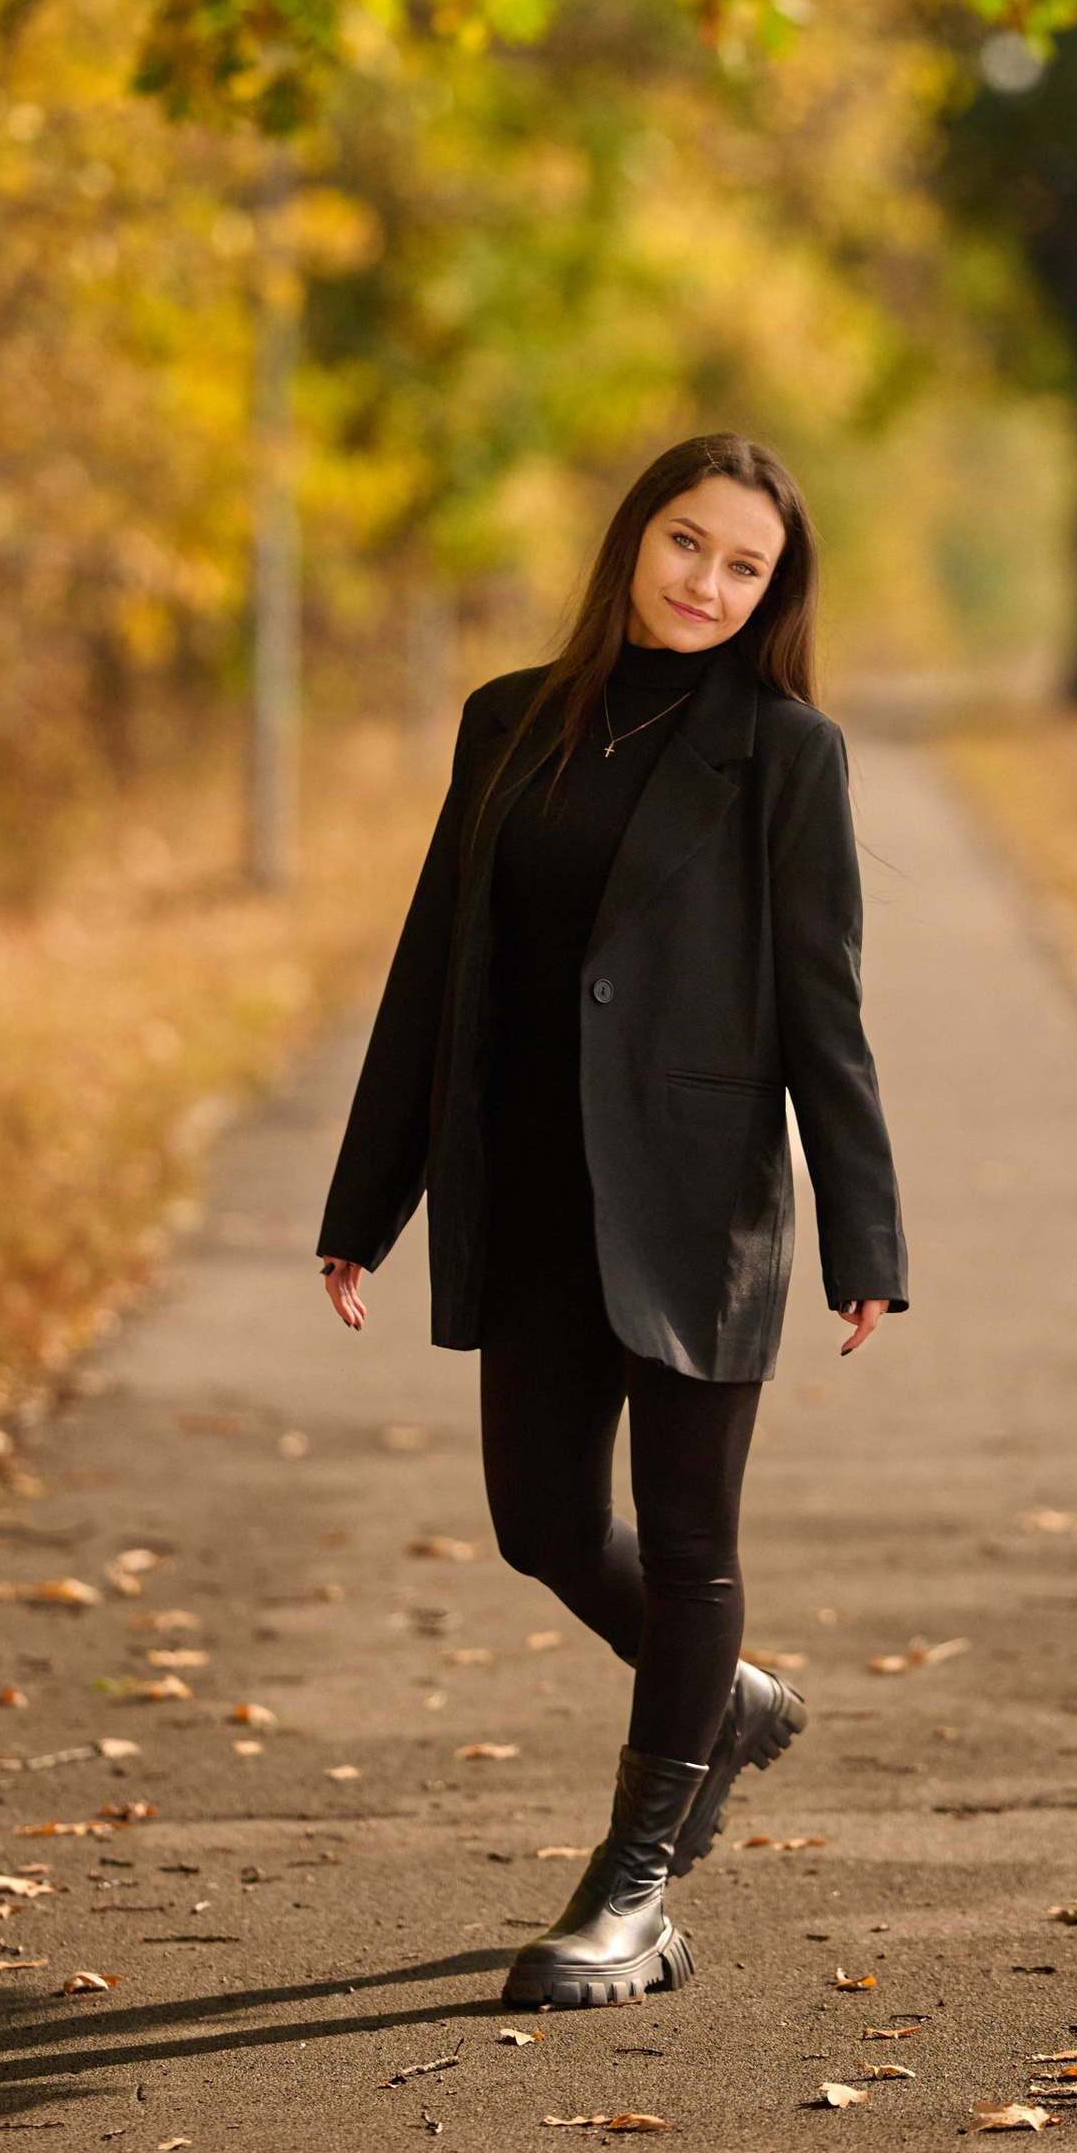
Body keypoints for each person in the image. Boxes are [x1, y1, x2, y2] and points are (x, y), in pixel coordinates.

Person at [318, 434, 909, 2011]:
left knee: (695, 1538)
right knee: (544, 1526)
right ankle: (727, 1698)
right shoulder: (507, 722)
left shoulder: (788, 753)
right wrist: (366, 1203)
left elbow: (823, 1007)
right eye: (685, 544)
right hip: (528, 1186)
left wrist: (865, 1234)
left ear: (773, 591)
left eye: (744, 566)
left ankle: (631, 1896)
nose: (706, 584)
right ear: (631, 541)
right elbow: (434, 966)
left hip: (698, 1196)